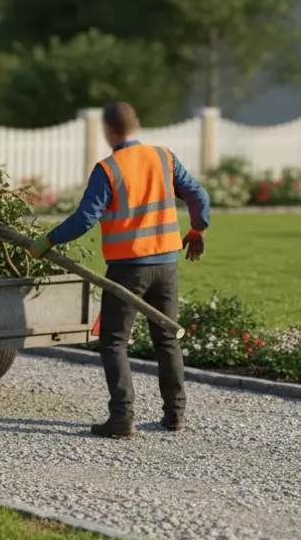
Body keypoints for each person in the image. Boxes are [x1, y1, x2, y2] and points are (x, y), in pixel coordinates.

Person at [28, 102, 210, 439]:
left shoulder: (109, 169)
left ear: (109, 131)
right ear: (135, 124)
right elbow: (198, 196)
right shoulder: (164, 157)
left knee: (113, 341)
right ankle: (175, 416)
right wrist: (197, 231)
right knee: (167, 339)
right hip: (166, 266)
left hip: (128, 268)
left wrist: (47, 241)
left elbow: (85, 218)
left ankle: (122, 418)